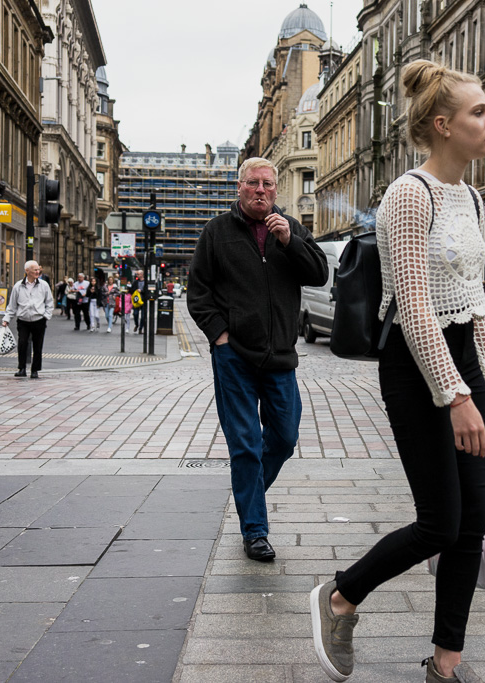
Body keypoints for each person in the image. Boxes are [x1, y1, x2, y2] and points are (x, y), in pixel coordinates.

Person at [308, 60, 485, 683]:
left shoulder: (473, 198)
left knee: (472, 523)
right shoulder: (407, 195)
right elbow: (415, 307)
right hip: (415, 368)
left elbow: (473, 305)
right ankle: (340, 596)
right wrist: (455, 397)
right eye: (479, 112)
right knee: (439, 522)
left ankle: (446, 662)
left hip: (462, 365)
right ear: (443, 125)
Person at [188, 157, 328, 563]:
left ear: (276, 189)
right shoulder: (217, 232)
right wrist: (220, 335)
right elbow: (198, 292)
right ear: (239, 187)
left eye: (268, 184)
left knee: (284, 437)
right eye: (253, 183)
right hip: (234, 357)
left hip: (281, 355)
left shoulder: (290, 229)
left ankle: (248, 497)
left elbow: (319, 274)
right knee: (246, 443)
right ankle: (255, 531)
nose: (261, 190)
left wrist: (291, 241)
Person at [2, 260, 54, 379]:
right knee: (22, 344)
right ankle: (22, 368)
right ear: (27, 271)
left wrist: (46, 316)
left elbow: (49, 302)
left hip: (39, 320)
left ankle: (35, 370)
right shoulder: (18, 286)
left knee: (38, 345)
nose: (37, 272)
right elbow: (12, 305)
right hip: (23, 320)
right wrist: (7, 319)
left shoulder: (43, 285)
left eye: (38, 269)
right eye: (35, 270)